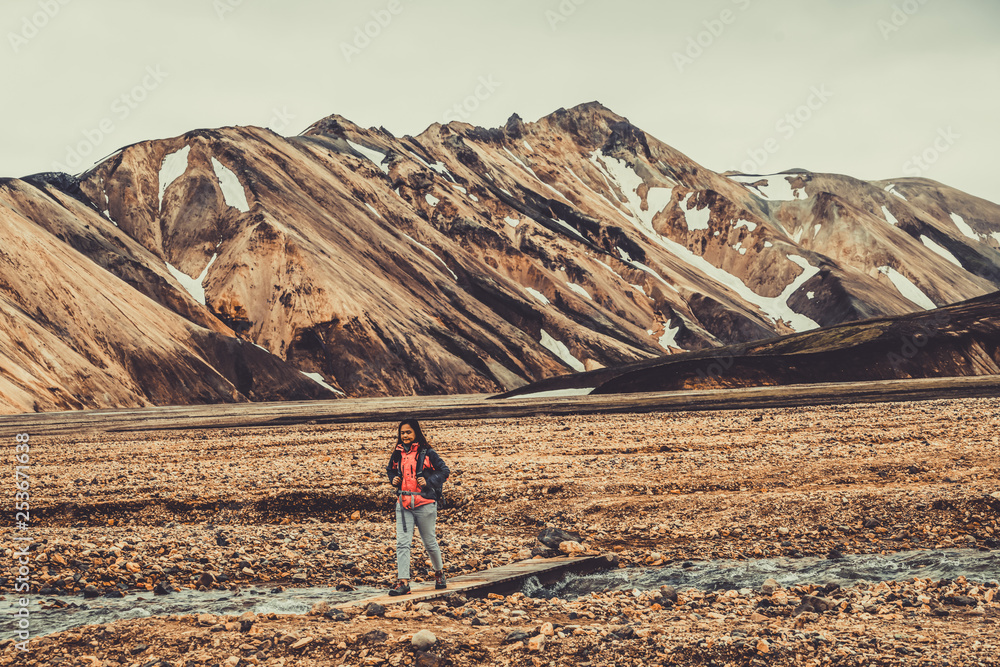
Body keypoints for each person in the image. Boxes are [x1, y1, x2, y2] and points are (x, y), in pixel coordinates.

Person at [385, 419, 450, 595]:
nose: (405, 436)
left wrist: (429, 482)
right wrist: (393, 479)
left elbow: (444, 471)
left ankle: (439, 573)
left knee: (429, 541)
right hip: (403, 503)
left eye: (408, 432)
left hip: (425, 503)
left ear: (416, 433)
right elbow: (390, 469)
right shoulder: (398, 453)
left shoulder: (427, 452)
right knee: (402, 543)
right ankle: (403, 582)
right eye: (402, 433)